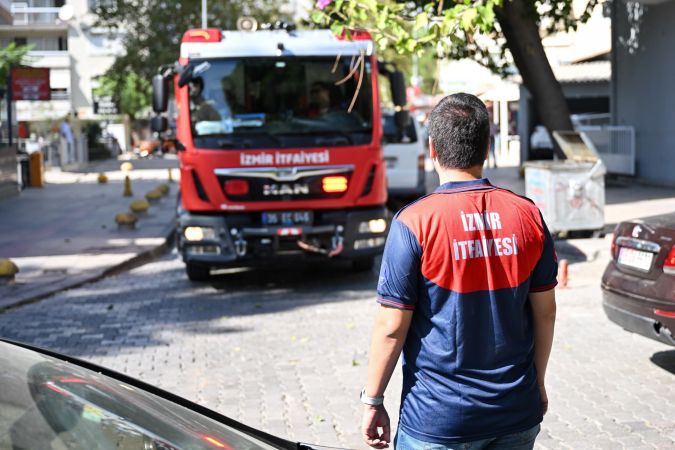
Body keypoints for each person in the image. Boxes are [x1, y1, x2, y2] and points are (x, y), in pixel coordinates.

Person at [361, 93, 558, 450]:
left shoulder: (414, 222)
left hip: (438, 421)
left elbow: (391, 328)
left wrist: (373, 400)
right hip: (515, 411)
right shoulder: (528, 215)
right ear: (487, 147)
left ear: (432, 149)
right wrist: (538, 384)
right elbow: (546, 313)